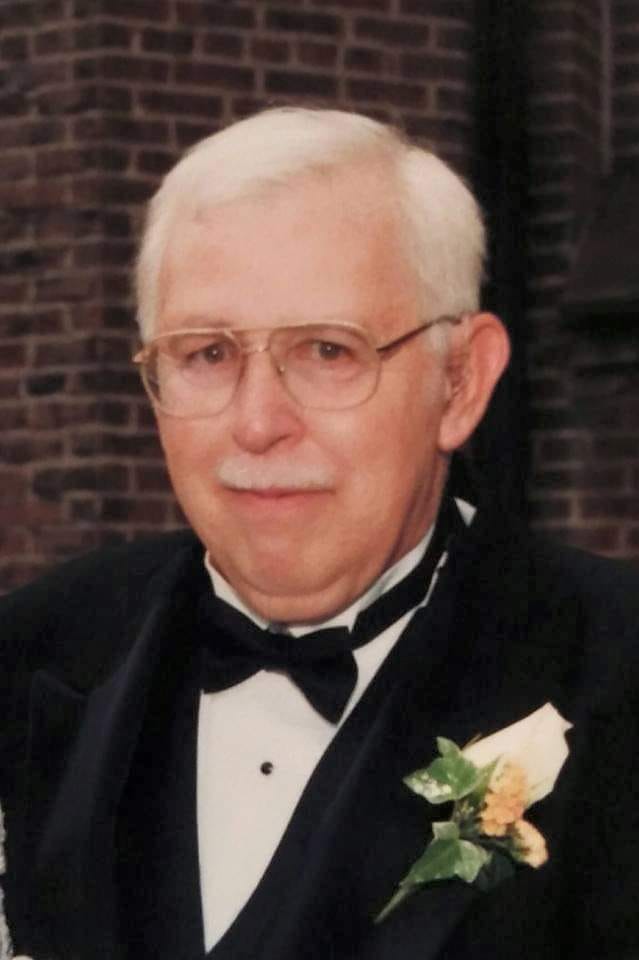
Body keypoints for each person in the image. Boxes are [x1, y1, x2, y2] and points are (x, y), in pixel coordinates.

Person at [1, 107, 638, 960]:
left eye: (327, 351)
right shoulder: (29, 655)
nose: (257, 422)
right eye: (207, 354)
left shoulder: (616, 672)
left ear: (458, 382)